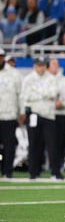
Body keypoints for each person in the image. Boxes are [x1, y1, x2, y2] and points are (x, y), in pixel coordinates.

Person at [21, 56, 58, 180]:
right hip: (34, 114)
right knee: (34, 144)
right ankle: (33, 172)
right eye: (39, 65)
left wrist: (36, 93)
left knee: (52, 144)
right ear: (34, 65)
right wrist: (44, 95)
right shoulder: (28, 79)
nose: (41, 68)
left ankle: (55, 172)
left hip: (48, 114)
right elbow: (26, 96)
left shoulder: (51, 78)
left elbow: (54, 93)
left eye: (43, 65)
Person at [47, 58, 65, 180]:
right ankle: (42, 170)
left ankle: (57, 169)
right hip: (48, 114)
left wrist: (62, 103)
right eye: (54, 64)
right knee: (50, 144)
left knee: (61, 144)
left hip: (63, 114)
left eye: (57, 64)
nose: (56, 66)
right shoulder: (44, 80)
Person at [0, 48, 23, 179]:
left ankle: (7, 172)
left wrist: (22, 111)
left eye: (1, 56)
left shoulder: (14, 74)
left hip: (9, 114)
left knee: (9, 145)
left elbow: (21, 94)